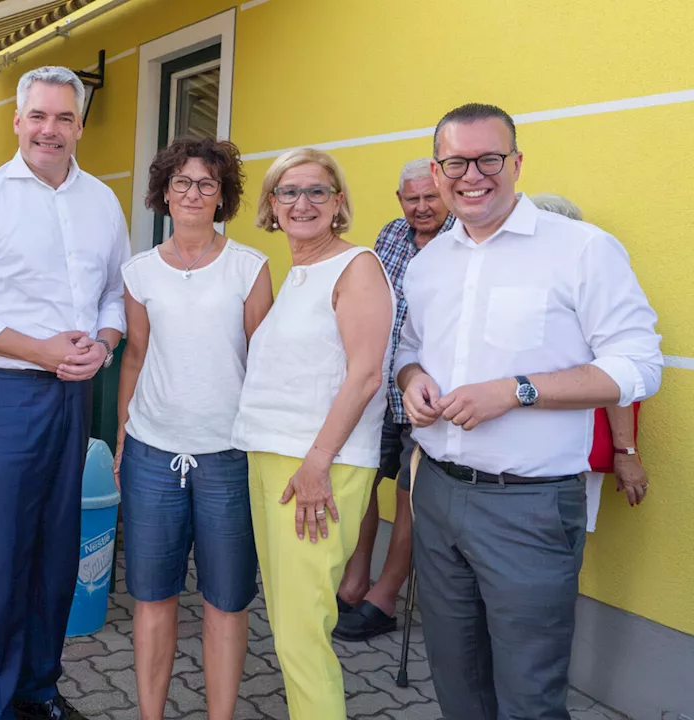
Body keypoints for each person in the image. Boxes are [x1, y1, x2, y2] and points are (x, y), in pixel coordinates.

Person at [396, 104, 662, 719]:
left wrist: (516, 390)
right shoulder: (429, 262)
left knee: (529, 697)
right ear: (438, 172)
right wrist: (411, 380)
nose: (473, 175)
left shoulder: (582, 249)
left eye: (490, 158)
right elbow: (410, 349)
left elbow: (638, 366)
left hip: (530, 506)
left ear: (516, 163)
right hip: (436, 495)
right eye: (456, 162)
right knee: (457, 682)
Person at [0, 65, 130, 720]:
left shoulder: (102, 201)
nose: (51, 129)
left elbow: (116, 294)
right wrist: (37, 349)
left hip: (74, 395)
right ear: (17, 121)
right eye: (38, 116)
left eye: (64, 117)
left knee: (56, 550)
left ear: (79, 125)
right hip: (5, 393)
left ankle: (39, 691)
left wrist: (104, 339)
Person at [230, 148, 393, 719]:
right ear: (271, 206)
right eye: (288, 192)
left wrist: (318, 461)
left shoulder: (358, 267)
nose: (302, 203)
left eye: (317, 191)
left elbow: (366, 373)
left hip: (320, 465)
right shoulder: (300, 273)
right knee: (290, 624)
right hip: (273, 457)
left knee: (301, 633)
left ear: (338, 201)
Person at [114, 136, 272, 720]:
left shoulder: (250, 269)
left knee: (226, 602)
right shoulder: (139, 272)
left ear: (222, 196)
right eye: (181, 182)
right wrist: (126, 431)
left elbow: (263, 364)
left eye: (207, 183)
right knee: (153, 598)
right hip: (154, 451)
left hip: (228, 454)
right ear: (164, 192)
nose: (193, 193)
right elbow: (135, 355)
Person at [334, 158, 454, 641]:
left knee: (409, 492)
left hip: (429, 393)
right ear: (400, 200)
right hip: (379, 383)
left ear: (445, 193)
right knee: (362, 477)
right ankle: (355, 577)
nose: (422, 207)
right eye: (413, 199)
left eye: (430, 197)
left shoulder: (463, 243)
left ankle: (385, 595)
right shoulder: (389, 236)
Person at [527, 193, 649, 528]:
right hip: (509, 455)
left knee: (556, 546)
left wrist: (625, 452)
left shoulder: (590, 287)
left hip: (570, 452)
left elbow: (616, 370)